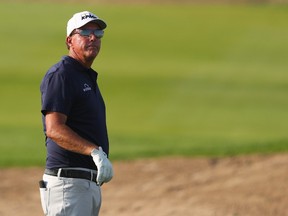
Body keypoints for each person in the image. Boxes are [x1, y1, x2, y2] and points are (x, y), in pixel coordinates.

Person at [39, 11, 113, 216]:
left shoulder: (84, 76)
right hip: (68, 185)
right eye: (85, 32)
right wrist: (94, 152)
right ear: (69, 40)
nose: (93, 37)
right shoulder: (62, 75)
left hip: (84, 185)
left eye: (98, 33)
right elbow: (54, 129)